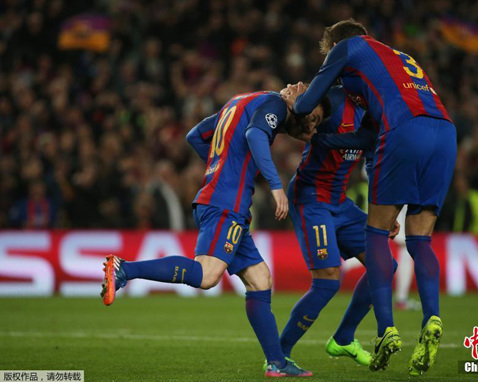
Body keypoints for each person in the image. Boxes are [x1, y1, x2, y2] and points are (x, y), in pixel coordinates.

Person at [101, 90, 325, 377]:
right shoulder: (276, 105)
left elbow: (195, 135)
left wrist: (225, 167)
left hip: (224, 200)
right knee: (207, 275)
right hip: (225, 203)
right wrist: (276, 186)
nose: (296, 87)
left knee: (259, 279)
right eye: (311, 125)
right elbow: (256, 135)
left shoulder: (242, 101)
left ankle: (276, 363)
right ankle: (124, 269)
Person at [287, 19, 457, 376]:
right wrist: (321, 141)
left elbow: (304, 106)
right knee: (420, 239)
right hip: (444, 132)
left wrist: (292, 102)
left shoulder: (348, 49)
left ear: (334, 46)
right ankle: (432, 318)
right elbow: (365, 137)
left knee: (377, 233)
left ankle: (386, 331)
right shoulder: (397, 58)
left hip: (404, 130)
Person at [279, 85, 398, 367]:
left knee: (384, 266)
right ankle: (278, 355)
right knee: (329, 280)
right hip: (311, 197)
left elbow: (373, 164)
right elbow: (297, 112)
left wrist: (386, 213)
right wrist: (290, 100)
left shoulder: (375, 113)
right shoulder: (333, 98)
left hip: (338, 200)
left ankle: (343, 338)